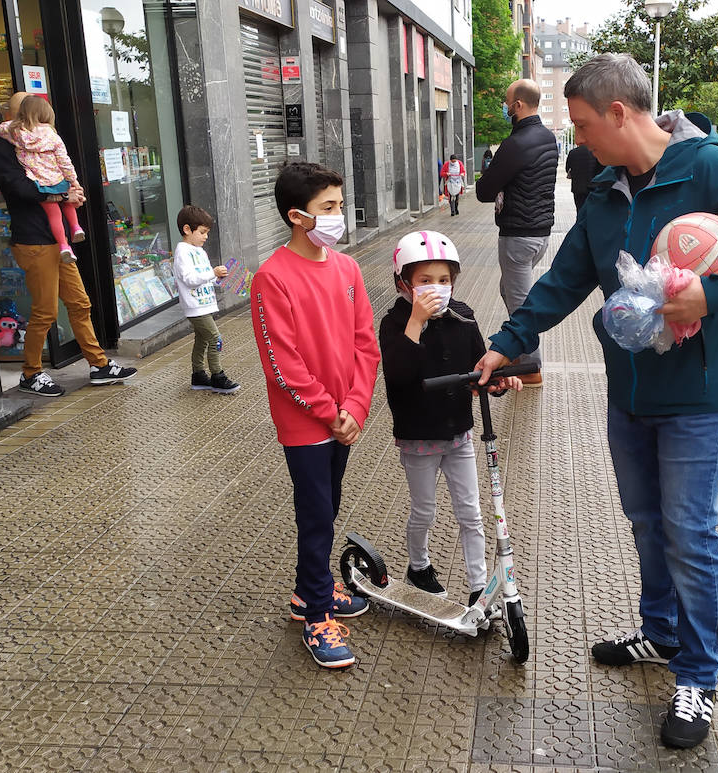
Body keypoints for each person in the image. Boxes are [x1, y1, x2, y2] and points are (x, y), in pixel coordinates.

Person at [473, 54, 718, 749]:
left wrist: (712, 293)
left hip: (697, 395)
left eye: (587, 126)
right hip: (627, 391)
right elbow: (563, 279)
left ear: (621, 113)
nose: (583, 140)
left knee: (691, 530)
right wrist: (507, 342)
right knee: (646, 520)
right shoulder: (602, 191)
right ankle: (659, 633)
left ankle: (697, 677)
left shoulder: (708, 171)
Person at [252, 161, 380, 669]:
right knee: (316, 517)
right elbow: (282, 364)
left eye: (340, 205)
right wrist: (330, 413)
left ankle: (312, 593)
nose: (339, 216)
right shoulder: (272, 278)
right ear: (297, 216)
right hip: (306, 423)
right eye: (329, 208)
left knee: (327, 508)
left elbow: (365, 345)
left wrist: (355, 407)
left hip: (342, 418)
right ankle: (316, 618)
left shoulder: (347, 269)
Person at [378, 231, 522, 607]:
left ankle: (477, 586)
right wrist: (416, 320)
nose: (436, 289)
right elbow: (397, 372)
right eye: (425, 281)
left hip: (458, 432)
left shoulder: (463, 317)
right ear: (403, 283)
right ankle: (418, 566)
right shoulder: (395, 324)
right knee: (424, 509)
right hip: (418, 436)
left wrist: (496, 384)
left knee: (471, 512)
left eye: (444, 280)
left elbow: (478, 371)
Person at [0, 92, 137, 397]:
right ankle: (30, 374)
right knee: (45, 311)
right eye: (22, 112)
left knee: (80, 303)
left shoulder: (44, 139)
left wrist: (73, 192)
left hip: (59, 243)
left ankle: (98, 365)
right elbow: (18, 188)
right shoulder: (5, 143)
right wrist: (62, 196)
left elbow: (60, 172)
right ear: (15, 115)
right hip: (33, 239)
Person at [474, 78, 558, 387]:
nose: (504, 106)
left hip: (517, 235)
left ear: (517, 105)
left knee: (521, 303)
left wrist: (489, 172)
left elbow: (484, 191)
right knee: (508, 291)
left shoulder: (515, 144)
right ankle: (520, 352)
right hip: (541, 234)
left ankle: (531, 367)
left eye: (507, 101)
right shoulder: (549, 138)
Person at [0, 96, 85, 263]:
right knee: (68, 204)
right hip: (36, 238)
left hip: (41, 187)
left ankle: (64, 244)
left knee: (54, 213)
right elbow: (64, 161)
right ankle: (75, 227)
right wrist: (74, 183)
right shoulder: (51, 136)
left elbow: (0, 129)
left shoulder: (15, 135)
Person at [172, 204, 241, 395]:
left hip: (204, 305)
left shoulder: (199, 251)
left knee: (202, 340)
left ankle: (199, 375)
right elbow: (190, 280)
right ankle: (217, 376)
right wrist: (212, 272)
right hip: (195, 307)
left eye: (206, 232)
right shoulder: (183, 252)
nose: (206, 236)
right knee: (215, 339)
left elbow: (204, 278)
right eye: (202, 232)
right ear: (187, 229)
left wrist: (217, 278)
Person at [566, 143, 605, 213]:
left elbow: (567, 169)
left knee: (580, 211)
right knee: (593, 212)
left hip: (578, 188)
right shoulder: (595, 152)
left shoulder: (573, 153)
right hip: (593, 188)